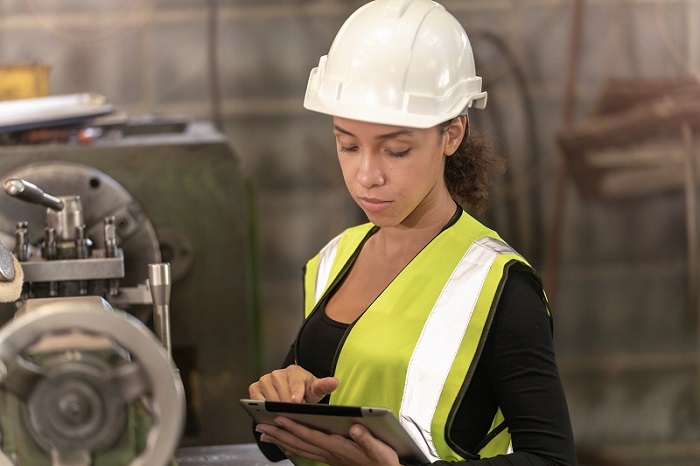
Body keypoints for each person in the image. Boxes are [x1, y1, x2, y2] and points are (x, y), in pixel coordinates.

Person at [248, 0, 577, 465]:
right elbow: (296, 423)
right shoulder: (332, 260)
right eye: (347, 145)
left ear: (452, 134)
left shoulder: (499, 286)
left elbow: (552, 459)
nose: (366, 175)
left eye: (396, 151)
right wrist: (279, 402)